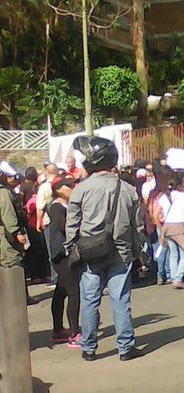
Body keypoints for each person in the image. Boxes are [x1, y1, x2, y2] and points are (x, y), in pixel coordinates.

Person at [65, 136, 144, 362]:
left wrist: (72, 247)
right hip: (121, 253)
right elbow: (137, 225)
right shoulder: (128, 189)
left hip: (90, 252)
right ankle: (125, 347)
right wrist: (137, 252)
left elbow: (72, 224)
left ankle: (89, 348)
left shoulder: (81, 189)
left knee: (89, 300)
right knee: (121, 300)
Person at [47, 178, 81, 347]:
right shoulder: (57, 207)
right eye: (68, 185)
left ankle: (58, 330)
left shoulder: (64, 206)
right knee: (74, 292)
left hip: (61, 253)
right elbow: (64, 226)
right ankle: (75, 334)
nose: (72, 187)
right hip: (62, 255)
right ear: (59, 190)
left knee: (61, 292)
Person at [156, 172, 184, 289]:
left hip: (168, 226)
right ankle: (178, 278)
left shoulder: (163, 197)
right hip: (181, 226)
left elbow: (156, 214)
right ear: (180, 183)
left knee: (173, 254)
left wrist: (161, 228)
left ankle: (173, 277)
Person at [37, 163, 59, 284]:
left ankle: (55, 278)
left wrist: (37, 221)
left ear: (46, 172)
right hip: (64, 220)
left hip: (49, 221)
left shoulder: (45, 187)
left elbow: (40, 206)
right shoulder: (64, 184)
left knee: (52, 250)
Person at [0, 169, 27, 269]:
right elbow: (8, 214)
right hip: (7, 234)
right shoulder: (4, 193)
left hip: (5, 231)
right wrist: (17, 232)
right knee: (12, 261)